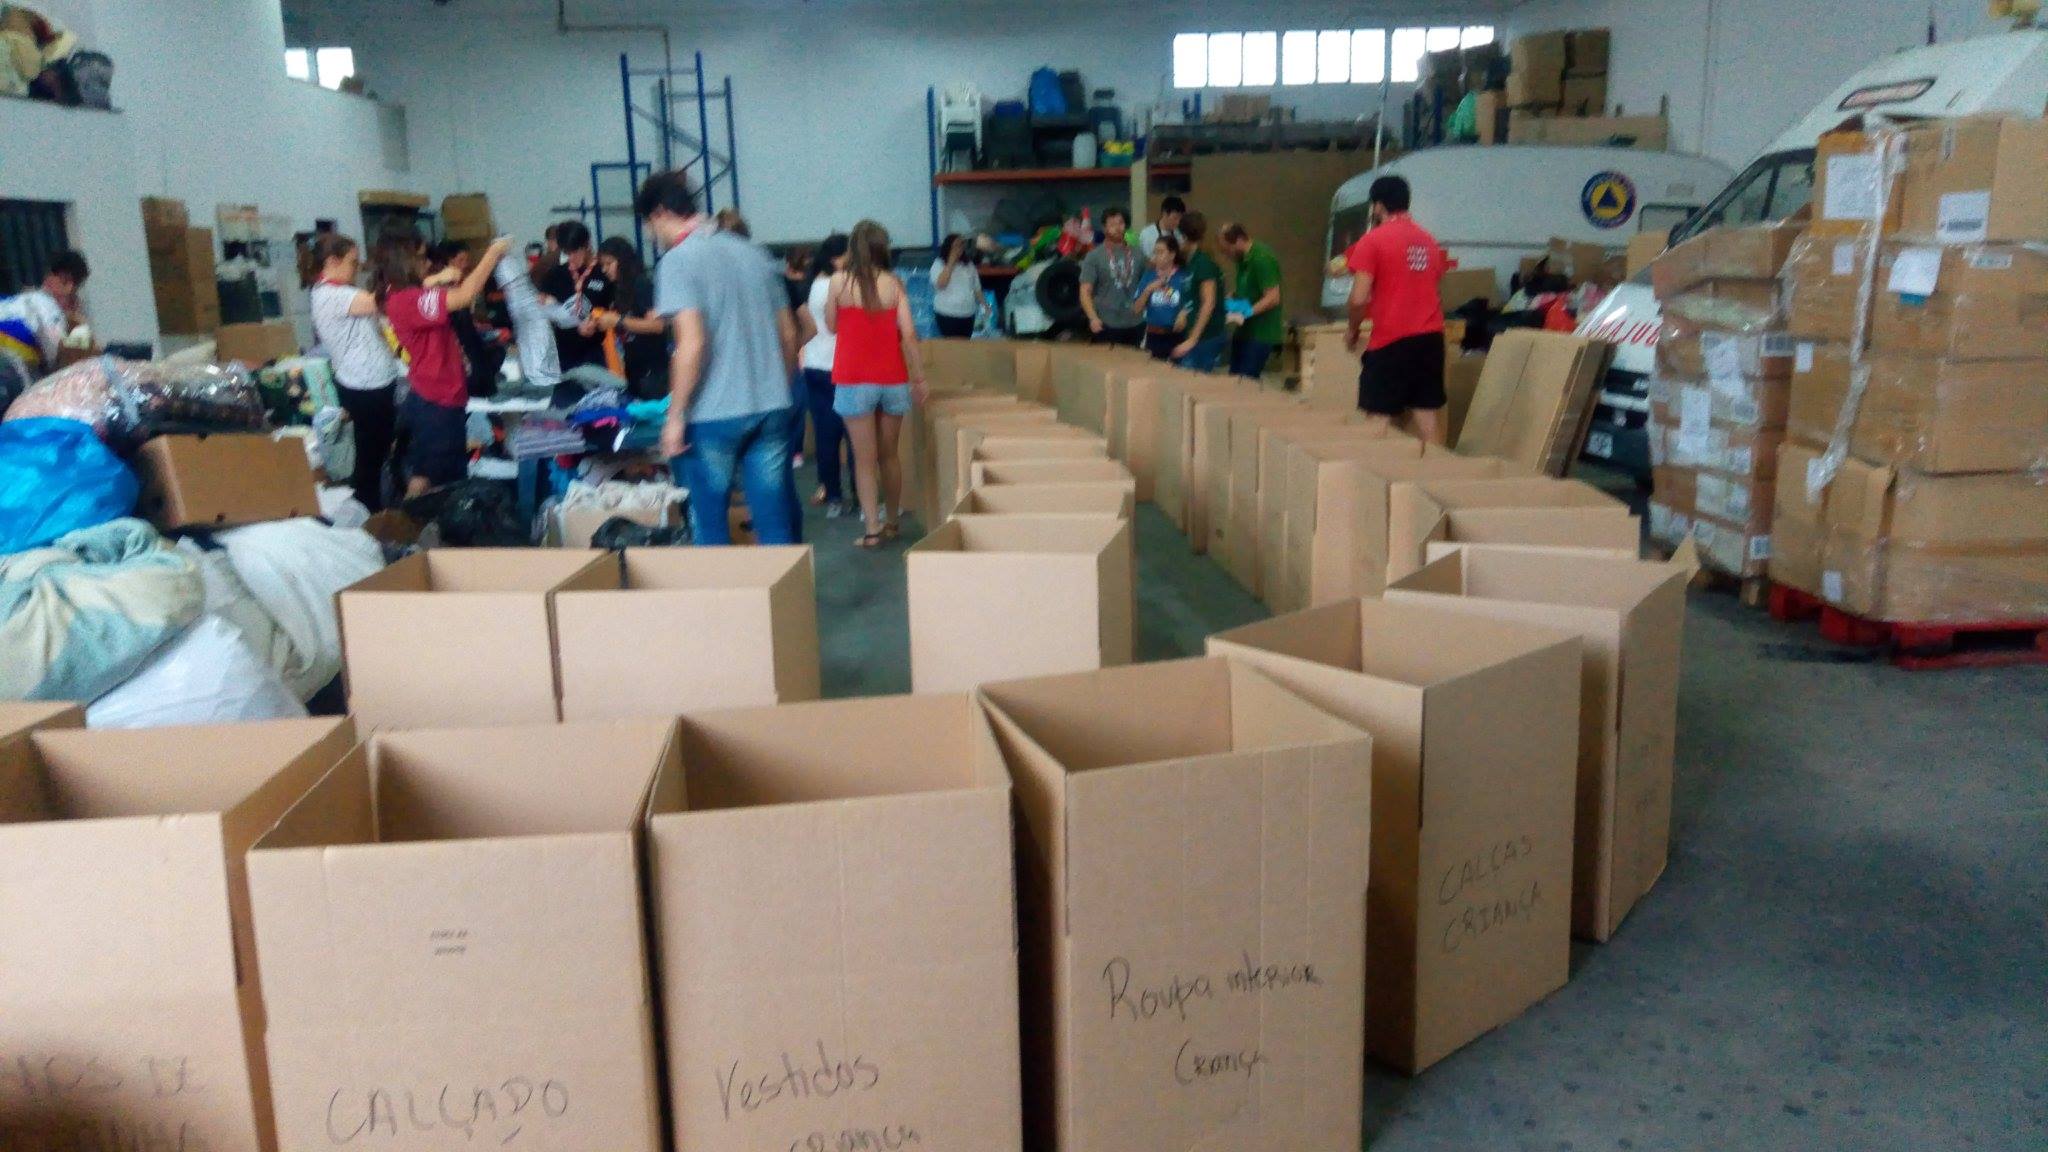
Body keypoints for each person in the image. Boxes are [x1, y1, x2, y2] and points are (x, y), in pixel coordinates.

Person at [636, 169, 803, 547]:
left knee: (710, 526)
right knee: (774, 523)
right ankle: (784, 585)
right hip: (771, 406)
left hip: (713, 414)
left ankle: (722, 588)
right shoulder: (755, 254)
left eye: (649, 225)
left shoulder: (678, 261)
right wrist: (779, 386)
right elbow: (789, 333)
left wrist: (674, 417)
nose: (651, 235)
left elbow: (692, 344)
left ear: (660, 213)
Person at [375, 235, 511, 497]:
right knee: (430, 478)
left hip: (436, 395)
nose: (428, 264)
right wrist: (492, 253)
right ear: (404, 262)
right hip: (437, 399)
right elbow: (464, 296)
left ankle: (416, 519)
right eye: (421, 258)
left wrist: (439, 279)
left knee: (431, 472)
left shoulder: (403, 294)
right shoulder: (408, 299)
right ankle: (408, 520)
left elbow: (437, 290)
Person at [827, 219, 927, 548]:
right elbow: (909, 335)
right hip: (893, 378)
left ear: (853, 248)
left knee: (864, 460)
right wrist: (919, 378)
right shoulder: (895, 284)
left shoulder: (839, 282)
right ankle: (893, 521)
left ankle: (872, 529)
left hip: (854, 379)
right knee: (890, 456)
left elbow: (831, 325)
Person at [1346, 175, 1449, 444]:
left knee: (1377, 417)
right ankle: (1438, 469)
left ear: (1378, 205)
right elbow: (1432, 284)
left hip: (1391, 341)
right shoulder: (1428, 241)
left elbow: (1358, 299)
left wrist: (1353, 330)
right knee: (1427, 417)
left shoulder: (1373, 241)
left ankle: (1369, 469)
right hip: (1430, 339)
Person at [308, 235, 403, 512]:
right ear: (331, 262)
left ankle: (376, 510)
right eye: (352, 262)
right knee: (370, 460)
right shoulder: (331, 295)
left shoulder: (343, 292)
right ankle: (368, 515)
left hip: (372, 383)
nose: (357, 268)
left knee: (378, 454)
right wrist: (401, 272)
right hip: (365, 388)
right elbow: (382, 301)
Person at [796, 233, 853, 516]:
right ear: (835, 258)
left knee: (825, 434)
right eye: (848, 256)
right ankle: (858, 493)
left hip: (814, 366)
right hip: (840, 367)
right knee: (853, 434)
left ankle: (832, 494)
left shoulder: (809, 285)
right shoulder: (839, 284)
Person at [425, 241, 505, 401]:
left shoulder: (462, 283)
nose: (465, 264)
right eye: (461, 260)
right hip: (462, 351)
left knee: (496, 352)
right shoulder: (440, 290)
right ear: (447, 262)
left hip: (469, 340)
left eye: (466, 260)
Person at [593, 237, 669, 400]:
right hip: (633, 370)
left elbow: (658, 325)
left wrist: (619, 321)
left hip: (652, 371)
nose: (605, 269)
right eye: (602, 265)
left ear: (623, 261)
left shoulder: (641, 285)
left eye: (609, 264)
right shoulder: (618, 289)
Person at [535, 221, 614, 373]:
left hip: (594, 351)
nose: (571, 257)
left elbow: (613, 308)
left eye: (575, 252)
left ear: (587, 245)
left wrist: (595, 321)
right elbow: (542, 305)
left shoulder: (604, 272)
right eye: (567, 252)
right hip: (563, 354)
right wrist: (544, 304)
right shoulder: (555, 275)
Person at [0, 249, 88, 376]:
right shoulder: (49, 307)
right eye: (76, 290)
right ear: (68, 284)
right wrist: (76, 319)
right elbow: (63, 354)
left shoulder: (22, 300)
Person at [1220, 222, 1284, 379]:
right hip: (1244, 332)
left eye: (1228, 250)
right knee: (1233, 380)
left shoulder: (1262, 258)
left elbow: (1273, 297)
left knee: (1246, 382)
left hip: (1261, 333)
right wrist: (1229, 298)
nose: (1227, 255)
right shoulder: (1242, 260)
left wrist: (1245, 312)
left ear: (1239, 240)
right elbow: (1248, 289)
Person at [1079, 207, 1147, 347]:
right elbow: (1085, 291)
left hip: (1135, 323)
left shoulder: (1138, 254)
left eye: (1121, 223)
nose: (1117, 228)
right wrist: (1093, 318)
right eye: (1112, 224)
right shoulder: (1094, 256)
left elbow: (1147, 284)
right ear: (1104, 228)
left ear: (1126, 225)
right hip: (1106, 323)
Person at [1171, 211, 1228, 371]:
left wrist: (1192, 340)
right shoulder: (1191, 262)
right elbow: (1193, 295)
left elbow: (1208, 302)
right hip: (1196, 334)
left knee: (1191, 380)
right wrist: (1184, 312)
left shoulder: (1203, 263)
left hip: (1206, 337)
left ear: (1184, 237)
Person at [1137, 235, 1191, 362]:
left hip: (1177, 335)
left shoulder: (1184, 277)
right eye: (1155, 252)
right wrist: (1148, 290)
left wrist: (1185, 312)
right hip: (1154, 335)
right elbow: (1136, 309)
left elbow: (1193, 302)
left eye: (1160, 252)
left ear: (1172, 255)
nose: (1156, 256)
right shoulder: (1149, 276)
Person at [930, 234, 983, 339]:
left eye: (961, 245)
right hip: (947, 313)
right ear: (948, 247)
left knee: (965, 345)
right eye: (956, 245)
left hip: (968, 314)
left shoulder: (969, 265)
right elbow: (941, 284)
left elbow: (976, 287)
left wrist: (984, 305)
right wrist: (950, 263)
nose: (959, 248)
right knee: (952, 345)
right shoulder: (938, 264)